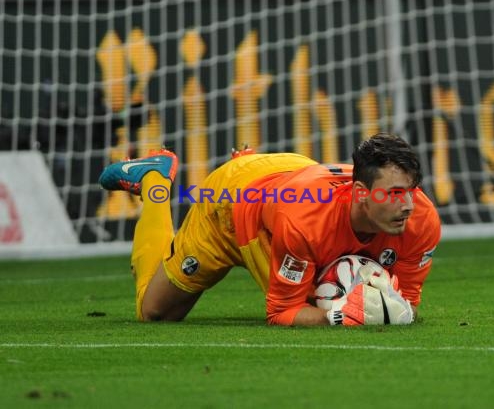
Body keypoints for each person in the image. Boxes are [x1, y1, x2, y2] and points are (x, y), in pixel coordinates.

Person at [99, 133, 441, 326]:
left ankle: (247, 161)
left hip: (290, 176)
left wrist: (393, 308)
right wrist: (338, 317)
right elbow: (281, 311)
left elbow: (407, 304)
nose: (408, 204)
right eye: (395, 194)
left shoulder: (421, 220)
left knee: (332, 293)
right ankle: (154, 177)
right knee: (155, 312)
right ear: (363, 194)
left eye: (412, 190)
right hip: (231, 207)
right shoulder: (306, 222)